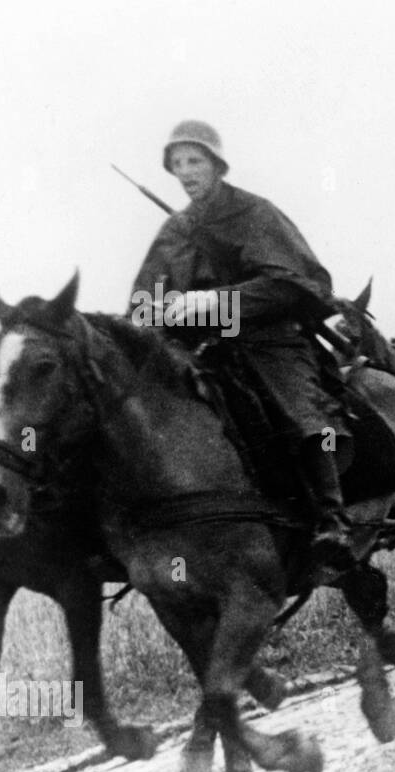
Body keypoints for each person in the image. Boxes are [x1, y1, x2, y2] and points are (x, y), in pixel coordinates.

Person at [130, 120, 353, 566]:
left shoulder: (254, 213)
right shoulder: (175, 230)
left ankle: (333, 520)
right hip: (200, 350)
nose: (186, 172)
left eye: (195, 161)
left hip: (267, 340)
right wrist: (158, 311)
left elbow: (292, 284)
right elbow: (141, 303)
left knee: (300, 412)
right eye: (177, 164)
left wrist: (214, 303)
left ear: (216, 164)